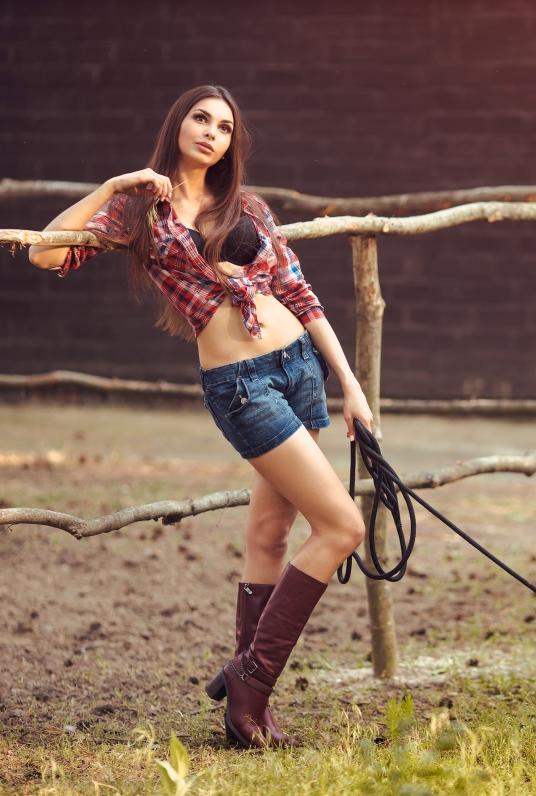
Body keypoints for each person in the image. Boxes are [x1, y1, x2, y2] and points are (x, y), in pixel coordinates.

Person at [28, 85, 370, 749]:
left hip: (301, 373)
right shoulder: (140, 212)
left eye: (224, 125)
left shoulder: (247, 206)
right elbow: (46, 253)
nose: (212, 131)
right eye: (201, 118)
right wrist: (110, 186)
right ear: (178, 124)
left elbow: (299, 294)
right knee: (342, 525)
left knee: (271, 536)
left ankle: (249, 712)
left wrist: (350, 386)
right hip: (244, 387)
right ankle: (250, 679)